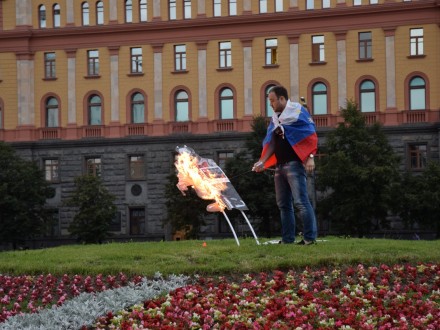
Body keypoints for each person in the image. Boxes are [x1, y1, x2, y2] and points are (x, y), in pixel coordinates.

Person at [253, 85, 318, 245]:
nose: (271, 104)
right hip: (279, 167)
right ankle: (288, 239)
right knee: (283, 204)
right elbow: (273, 143)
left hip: (294, 165)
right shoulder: (276, 119)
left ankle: (309, 239)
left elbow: (311, 134)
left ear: (282, 99)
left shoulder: (297, 112)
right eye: (269, 101)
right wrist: (262, 161)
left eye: (273, 100)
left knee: (301, 202)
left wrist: (310, 157)